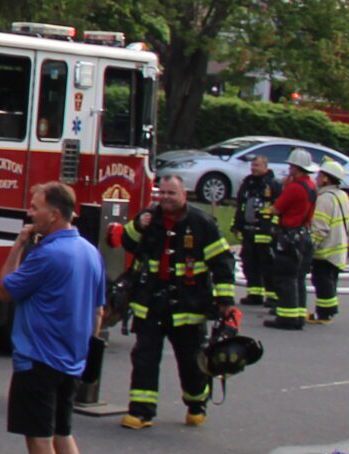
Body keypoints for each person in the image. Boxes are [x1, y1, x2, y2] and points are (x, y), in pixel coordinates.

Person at [0, 182, 109, 454]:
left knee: (39, 440)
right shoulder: (90, 252)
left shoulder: (47, 255)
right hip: (71, 360)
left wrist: (19, 245)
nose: (29, 213)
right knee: (63, 433)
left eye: (35, 208)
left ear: (54, 214)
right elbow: (98, 310)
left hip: (38, 358)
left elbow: (6, 289)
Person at [119, 174, 237, 427]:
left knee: (191, 361)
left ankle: (196, 403)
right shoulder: (150, 217)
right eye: (161, 193)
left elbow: (223, 262)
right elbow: (127, 243)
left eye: (171, 193)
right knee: (144, 358)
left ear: (184, 194)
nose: (165, 198)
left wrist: (225, 299)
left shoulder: (201, 223)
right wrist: (138, 225)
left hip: (188, 306)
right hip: (151, 301)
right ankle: (141, 411)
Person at [267, 149, 318, 331]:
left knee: (285, 278)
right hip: (304, 236)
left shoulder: (295, 187)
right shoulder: (311, 186)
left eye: (291, 166)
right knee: (298, 279)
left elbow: (276, 209)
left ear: (296, 167)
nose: (289, 169)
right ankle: (298, 316)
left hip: (290, 237)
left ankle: (287, 318)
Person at [308, 159, 349, 324]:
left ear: (326, 178)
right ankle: (327, 312)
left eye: (319, 175)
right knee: (329, 281)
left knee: (322, 281)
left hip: (326, 250)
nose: (317, 178)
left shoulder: (324, 199)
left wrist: (309, 246)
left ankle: (324, 314)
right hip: (338, 248)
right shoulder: (342, 195)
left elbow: (319, 228)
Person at [234, 153, 280, 306]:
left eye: (257, 165)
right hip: (248, 230)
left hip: (265, 232)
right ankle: (254, 294)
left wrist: (272, 229)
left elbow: (278, 209)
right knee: (249, 263)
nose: (253, 168)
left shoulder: (273, 185)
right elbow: (241, 205)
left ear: (265, 167)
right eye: (252, 165)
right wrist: (237, 225)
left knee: (268, 264)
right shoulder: (248, 183)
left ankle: (272, 296)